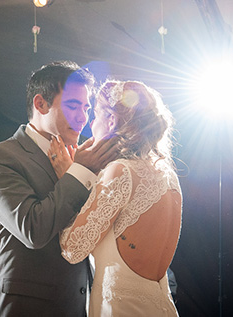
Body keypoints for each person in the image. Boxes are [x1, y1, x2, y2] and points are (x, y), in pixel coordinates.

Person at [0, 61, 119, 316]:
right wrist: (79, 172)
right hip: (27, 307)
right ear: (40, 104)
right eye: (73, 105)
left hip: (79, 304)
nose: (82, 117)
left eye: (86, 108)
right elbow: (33, 229)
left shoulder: (84, 154)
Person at [52, 80, 182, 316]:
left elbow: (72, 248)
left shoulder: (121, 171)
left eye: (96, 115)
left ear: (111, 121)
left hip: (122, 309)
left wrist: (72, 175)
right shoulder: (168, 175)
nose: (91, 123)